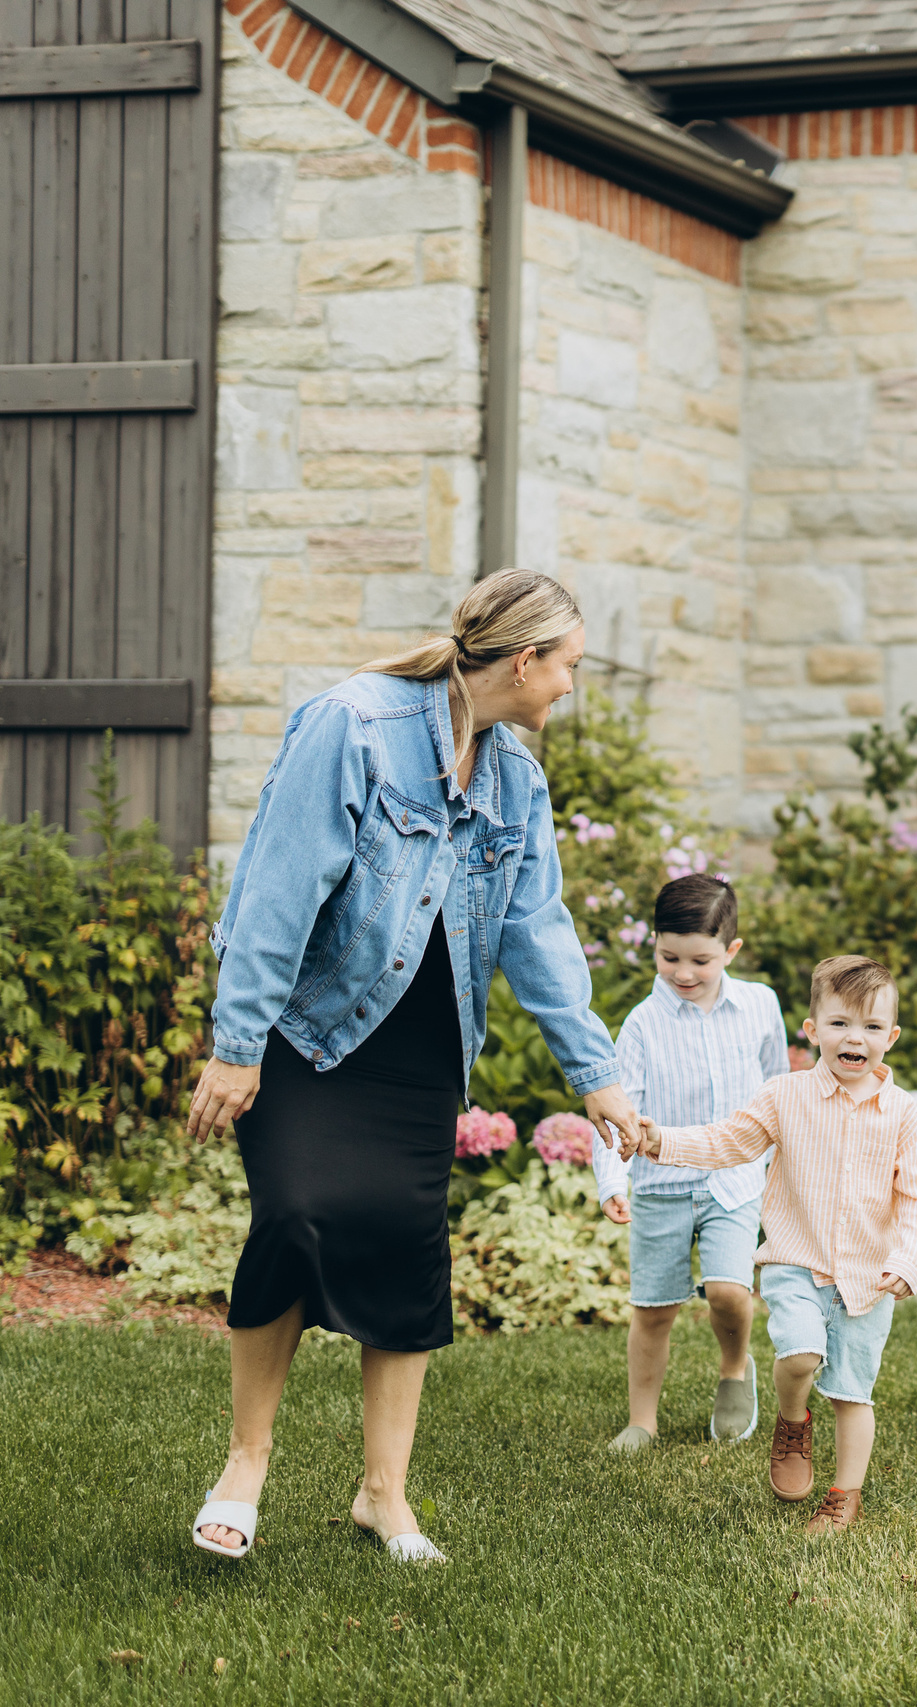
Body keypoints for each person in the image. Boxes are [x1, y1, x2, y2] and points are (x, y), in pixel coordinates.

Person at [184, 569, 637, 1567]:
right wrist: (237, 1043)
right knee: (295, 1217)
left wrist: (596, 1073)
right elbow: (275, 889)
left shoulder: (516, 778)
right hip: (309, 1031)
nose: (568, 685)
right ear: (524, 661)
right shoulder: (353, 727)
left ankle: (382, 1495)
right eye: (565, 665)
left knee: (400, 1245)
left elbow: (538, 931)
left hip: (423, 1049)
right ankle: (245, 1463)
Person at [626, 955, 917, 1536]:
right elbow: (728, 1142)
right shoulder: (785, 1096)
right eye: (842, 1023)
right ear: (812, 1029)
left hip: (868, 1280)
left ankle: (844, 1498)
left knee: (852, 1391)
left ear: (891, 1038)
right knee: (798, 1356)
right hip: (796, 1262)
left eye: (872, 1028)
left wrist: (907, 1261)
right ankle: (792, 1419)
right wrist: (659, 1142)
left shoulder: (902, 1114)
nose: (856, 1038)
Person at [591, 872, 787, 1454]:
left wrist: (782, 1165)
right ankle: (642, 1420)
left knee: (729, 1291)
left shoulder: (759, 1006)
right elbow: (615, 1113)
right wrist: (612, 1182)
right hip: (660, 1187)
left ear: (731, 951)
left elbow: (778, 1088)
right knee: (655, 1308)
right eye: (668, 956)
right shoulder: (642, 1026)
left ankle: (734, 1370)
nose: (682, 972)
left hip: (734, 1180)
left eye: (699, 960)